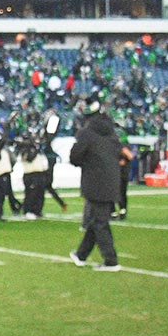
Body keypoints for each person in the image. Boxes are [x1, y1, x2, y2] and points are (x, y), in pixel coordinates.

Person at [68, 101, 123, 271]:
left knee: (99, 222)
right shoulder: (112, 133)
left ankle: (111, 260)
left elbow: (75, 157)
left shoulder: (87, 133)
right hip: (112, 180)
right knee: (96, 220)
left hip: (94, 181)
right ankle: (81, 254)